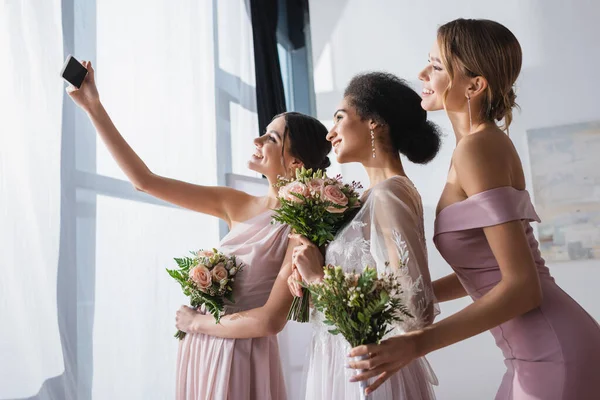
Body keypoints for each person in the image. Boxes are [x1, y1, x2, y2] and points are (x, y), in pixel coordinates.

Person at [349, 19, 600, 400]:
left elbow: (522, 287)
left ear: (474, 85)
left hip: (552, 352)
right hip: (536, 352)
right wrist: (416, 295)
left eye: (436, 66)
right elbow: (489, 271)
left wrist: (417, 344)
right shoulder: (480, 145)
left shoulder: (478, 148)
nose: (421, 73)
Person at [67, 61, 332, 400]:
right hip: (202, 348)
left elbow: (269, 322)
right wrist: (93, 107)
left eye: (271, 137)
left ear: (295, 162)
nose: (257, 138)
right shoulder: (234, 202)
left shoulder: (302, 230)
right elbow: (144, 181)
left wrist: (196, 324)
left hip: (239, 354)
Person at [288, 72, 442, 399]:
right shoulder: (372, 196)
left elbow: (414, 310)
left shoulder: (388, 194)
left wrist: (319, 277)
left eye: (339, 118)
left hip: (367, 370)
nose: (330, 133)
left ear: (374, 122)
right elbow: (371, 280)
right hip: (341, 358)